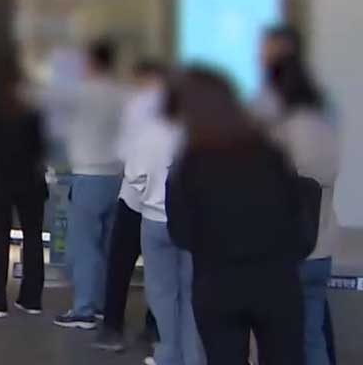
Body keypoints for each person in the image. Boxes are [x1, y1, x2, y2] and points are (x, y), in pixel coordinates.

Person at [166, 67, 306, 365]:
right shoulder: (271, 154)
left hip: (217, 284)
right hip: (276, 280)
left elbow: (180, 232)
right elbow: (299, 214)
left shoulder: (190, 164)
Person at [40, 39, 127, 330]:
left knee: (84, 247)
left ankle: (84, 309)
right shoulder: (123, 94)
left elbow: (49, 113)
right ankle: (101, 304)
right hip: (117, 177)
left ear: (90, 63)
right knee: (105, 246)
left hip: (88, 176)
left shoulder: (79, 93)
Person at [125, 69, 203, 365]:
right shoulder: (200, 132)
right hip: (193, 224)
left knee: (161, 295)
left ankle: (168, 355)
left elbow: (134, 175)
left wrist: (149, 195)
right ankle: (193, 358)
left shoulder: (150, 132)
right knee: (192, 295)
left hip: (154, 220)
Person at [267, 55, 341, 365]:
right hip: (321, 246)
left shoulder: (280, 133)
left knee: (281, 340)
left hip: (287, 252)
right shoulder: (327, 129)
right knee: (312, 336)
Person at [93, 61, 163, 353]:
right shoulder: (181, 110)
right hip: (166, 205)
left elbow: (124, 152)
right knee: (161, 273)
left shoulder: (135, 106)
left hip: (134, 197)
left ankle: (112, 327)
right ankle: (155, 327)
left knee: (120, 264)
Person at [0, 55, 48, 318]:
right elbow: (41, 147)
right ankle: (31, 298)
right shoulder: (34, 110)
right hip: (31, 180)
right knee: (33, 237)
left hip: (0, 179)